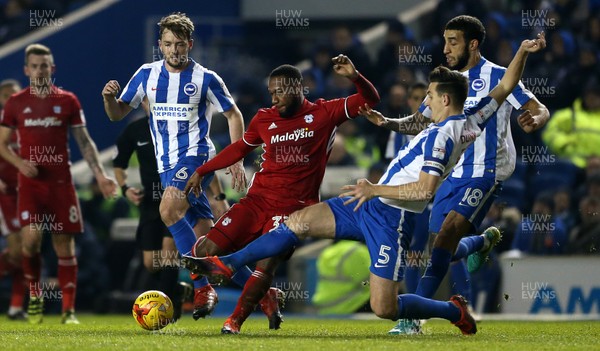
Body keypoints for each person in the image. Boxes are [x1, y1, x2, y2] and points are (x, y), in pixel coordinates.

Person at [182, 35, 545, 335]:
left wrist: (374, 189)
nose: (425, 101)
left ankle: (453, 311)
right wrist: (522, 53)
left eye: (430, 96)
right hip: (366, 205)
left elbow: (424, 192)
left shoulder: (444, 138)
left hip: (391, 218)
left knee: (384, 308)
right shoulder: (470, 120)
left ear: (444, 100)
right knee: (296, 223)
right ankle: (228, 263)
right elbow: (505, 86)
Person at [183, 54, 380, 334]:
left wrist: (355, 76)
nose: (273, 98)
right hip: (256, 201)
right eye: (271, 92)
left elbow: (370, 100)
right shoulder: (264, 118)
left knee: (266, 265)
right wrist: (203, 171)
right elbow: (239, 149)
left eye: (279, 92)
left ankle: (234, 322)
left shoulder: (325, 113)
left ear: (297, 88)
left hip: (295, 211)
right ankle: (267, 295)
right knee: (205, 252)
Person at [383, 17, 550, 334]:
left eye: (453, 42)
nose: (445, 48)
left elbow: (537, 106)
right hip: (452, 173)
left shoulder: (497, 75)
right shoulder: (445, 83)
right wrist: (384, 121)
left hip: (488, 169)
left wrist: (537, 118)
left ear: (473, 44)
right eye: (444, 41)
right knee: (442, 248)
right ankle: (480, 242)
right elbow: (421, 122)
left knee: (445, 235)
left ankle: (412, 319)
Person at [102, 12, 246, 320]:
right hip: (167, 164)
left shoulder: (206, 78)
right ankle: (262, 289)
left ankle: (201, 287)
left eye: (180, 45)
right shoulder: (146, 75)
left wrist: (236, 157)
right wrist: (108, 99)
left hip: (196, 156)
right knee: (208, 247)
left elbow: (233, 115)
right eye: (168, 44)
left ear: (190, 45)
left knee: (167, 210)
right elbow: (117, 114)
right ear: (160, 45)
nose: (174, 51)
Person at [0, 44, 117, 324]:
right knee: (31, 242)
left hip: (61, 184)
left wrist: (100, 175)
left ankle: (68, 310)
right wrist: (19, 164)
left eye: (45, 65)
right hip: (30, 184)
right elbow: (1, 145)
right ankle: (36, 295)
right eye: (35, 66)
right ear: (27, 69)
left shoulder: (68, 100)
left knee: (64, 246)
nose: (40, 70)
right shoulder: (16, 102)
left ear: (52, 68)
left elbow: (84, 141)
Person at [0, 79, 26, 320]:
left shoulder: (28, 122)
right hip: (5, 194)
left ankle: (16, 307)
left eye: (14, 95)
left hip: (27, 194)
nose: (10, 99)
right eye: (6, 95)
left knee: (28, 251)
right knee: (18, 251)